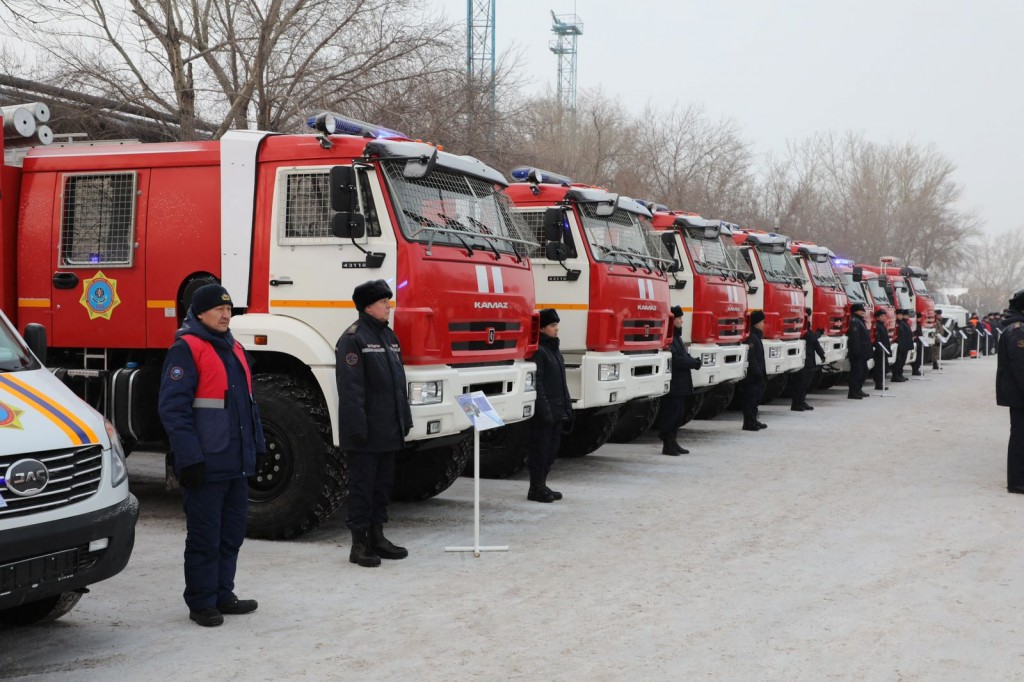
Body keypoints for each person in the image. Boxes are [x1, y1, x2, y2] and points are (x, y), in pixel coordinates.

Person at [158, 284, 265, 627]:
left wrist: (257, 447)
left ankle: (222, 594)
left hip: (236, 462)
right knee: (205, 536)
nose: (225, 315)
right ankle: (202, 602)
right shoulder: (186, 349)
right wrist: (189, 459)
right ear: (200, 313)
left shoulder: (234, 347)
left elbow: (249, 406)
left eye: (229, 309)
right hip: (206, 463)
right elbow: (173, 410)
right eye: (218, 309)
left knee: (231, 533)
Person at [336, 279, 413, 567]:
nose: (388, 306)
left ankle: (377, 537)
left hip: (388, 428)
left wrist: (404, 419)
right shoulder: (353, 339)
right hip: (365, 432)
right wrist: (357, 428)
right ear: (368, 307)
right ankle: (359, 545)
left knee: (382, 487)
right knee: (362, 488)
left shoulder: (389, 336)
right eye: (383, 302)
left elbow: (398, 385)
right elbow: (351, 389)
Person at [528, 308, 573, 501]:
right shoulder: (540, 352)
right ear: (542, 329)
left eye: (557, 325)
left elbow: (562, 382)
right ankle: (535, 488)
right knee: (540, 450)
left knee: (551, 451)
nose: (557, 329)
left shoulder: (555, 351)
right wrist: (545, 411)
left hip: (557, 411)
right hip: (546, 413)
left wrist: (567, 406)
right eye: (552, 325)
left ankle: (543, 485)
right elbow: (537, 383)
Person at [659, 305, 702, 454]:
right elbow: (676, 360)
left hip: (681, 385)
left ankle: (673, 442)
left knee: (678, 415)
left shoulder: (677, 338)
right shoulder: (670, 339)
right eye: (678, 318)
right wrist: (693, 363)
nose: (681, 321)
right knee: (671, 415)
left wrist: (694, 361)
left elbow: (683, 355)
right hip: (675, 385)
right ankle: (667, 444)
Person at [996, 288, 1024, 494]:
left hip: (1018, 392)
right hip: (1019, 393)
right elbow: (1020, 366)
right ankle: (1017, 482)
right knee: (1020, 438)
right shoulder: (1018, 331)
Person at [791, 308, 825, 412]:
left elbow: (815, 343)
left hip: (809, 358)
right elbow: (811, 338)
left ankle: (801, 401)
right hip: (804, 359)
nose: (809, 317)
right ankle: (797, 403)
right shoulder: (802, 326)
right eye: (809, 315)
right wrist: (819, 333)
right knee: (801, 383)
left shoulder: (808, 326)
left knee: (806, 382)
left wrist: (821, 353)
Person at [741, 310, 767, 431]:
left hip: (757, 376)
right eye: (762, 322)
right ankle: (748, 423)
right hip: (752, 377)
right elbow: (751, 358)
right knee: (750, 399)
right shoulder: (751, 337)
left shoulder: (757, 336)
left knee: (755, 399)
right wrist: (757, 372)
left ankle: (753, 420)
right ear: (756, 323)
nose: (763, 324)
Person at [846, 303, 871, 399]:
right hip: (857, 353)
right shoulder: (855, 321)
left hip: (862, 353)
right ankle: (853, 392)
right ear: (855, 311)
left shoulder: (859, 320)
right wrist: (856, 351)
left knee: (863, 372)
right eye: (861, 310)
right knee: (856, 373)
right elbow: (854, 338)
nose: (863, 312)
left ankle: (858, 389)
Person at [871, 309, 892, 390]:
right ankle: (878, 384)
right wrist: (880, 350)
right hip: (880, 351)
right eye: (882, 316)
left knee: (885, 367)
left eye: (884, 316)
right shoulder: (877, 326)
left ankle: (880, 383)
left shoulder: (882, 326)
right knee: (880, 368)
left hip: (884, 350)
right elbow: (877, 340)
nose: (884, 317)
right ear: (877, 317)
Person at [890, 309, 913, 382]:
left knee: (902, 361)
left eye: (902, 315)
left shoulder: (903, 323)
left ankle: (900, 374)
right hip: (899, 345)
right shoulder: (896, 323)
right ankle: (895, 376)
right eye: (899, 315)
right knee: (898, 361)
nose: (901, 316)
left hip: (904, 345)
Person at [910, 311, 924, 376]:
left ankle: (917, 369)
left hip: (919, 342)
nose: (920, 319)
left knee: (919, 358)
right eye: (919, 318)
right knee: (916, 358)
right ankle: (915, 370)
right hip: (916, 343)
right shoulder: (915, 325)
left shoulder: (918, 325)